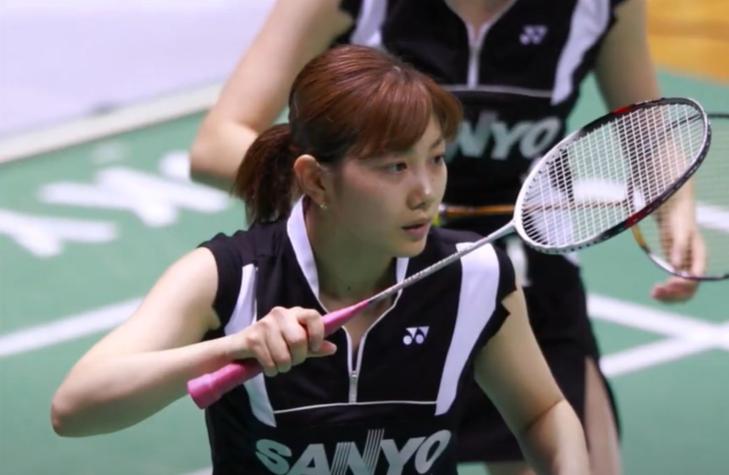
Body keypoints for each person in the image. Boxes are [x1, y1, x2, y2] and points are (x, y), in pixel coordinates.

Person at [188, 1, 705, 474]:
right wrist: (358, 204)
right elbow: (217, 144)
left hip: (525, 278)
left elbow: (648, 127)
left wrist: (676, 208)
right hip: (387, 278)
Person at [51, 45, 590, 475]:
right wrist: (234, 347)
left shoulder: (473, 275)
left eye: (435, 158)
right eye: (395, 167)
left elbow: (541, 412)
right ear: (316, 179)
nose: (426, 191)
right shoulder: (229, 278)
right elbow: (74, 409)